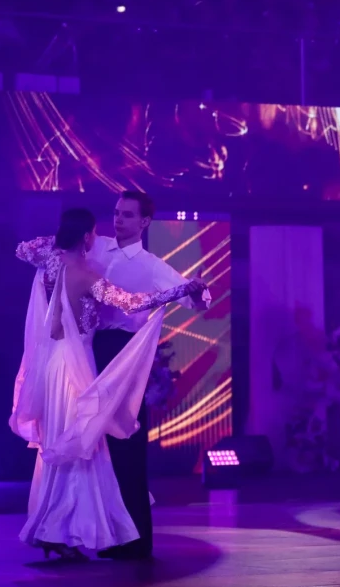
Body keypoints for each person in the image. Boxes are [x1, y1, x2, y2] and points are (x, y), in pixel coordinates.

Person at [16, 190, 209, 559]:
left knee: (89, 441)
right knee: (82, 442)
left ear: (144, 222)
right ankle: (62, 530)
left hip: (87, 357)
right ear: (88, 236)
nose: (117, 220)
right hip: (79, 359)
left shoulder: (67, 260)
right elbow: (131, 302)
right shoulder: (90, 262)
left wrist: (191, 291)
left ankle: (82, 532)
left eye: (126, 214)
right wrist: (182, 289)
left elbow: (25, 249)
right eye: (116, 213)